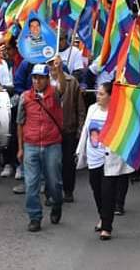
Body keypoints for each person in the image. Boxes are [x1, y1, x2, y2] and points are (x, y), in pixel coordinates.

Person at [76, 82, 133, 240]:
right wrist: (80, 151)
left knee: (108, 193)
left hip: (109, 160)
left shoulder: (117, 113)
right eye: (98, 93)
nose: (98, 96)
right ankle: (103, 216)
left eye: (101, 94)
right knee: (97, 191)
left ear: (110, 97)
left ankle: (106, 227)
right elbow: (86, 132)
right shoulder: (92, 109)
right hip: (93, 158)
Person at [17, 63, 64, 232]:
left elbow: (62, 85)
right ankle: (34, 217)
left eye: (41, 78)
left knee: (54, 182)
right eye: (34, 78)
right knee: (31, 184)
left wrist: (58, 69)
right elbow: (20, 123)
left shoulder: (55, 94)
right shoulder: (25, 97)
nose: (37, 81)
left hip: (52, 144)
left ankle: (57, 203)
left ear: (47, 78)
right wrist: (20, 148)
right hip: (31, 144)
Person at [48, 56, 86, 203]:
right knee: (51, 162)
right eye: (51, 64)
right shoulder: (44, 82)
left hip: (68, 128)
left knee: (68, 162)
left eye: (56, 63)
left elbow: (80, 108)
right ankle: (51, 191)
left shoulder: (72, 82)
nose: (53, 66)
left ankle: (68, 190)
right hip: (51, 130)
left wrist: (80, 129)